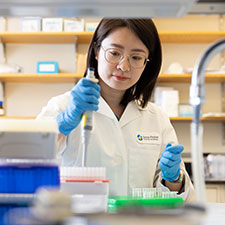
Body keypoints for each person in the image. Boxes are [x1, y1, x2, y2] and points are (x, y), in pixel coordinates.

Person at [37, 18, 195, 201]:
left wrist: (174, 178)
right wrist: (62, 124)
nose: (123, 66)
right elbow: (29, 164)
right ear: (96, 51)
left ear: (146, 63)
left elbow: (179, 196)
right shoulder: (62, 106)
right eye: (114, 53)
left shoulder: (156, 118)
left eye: (136, 57)